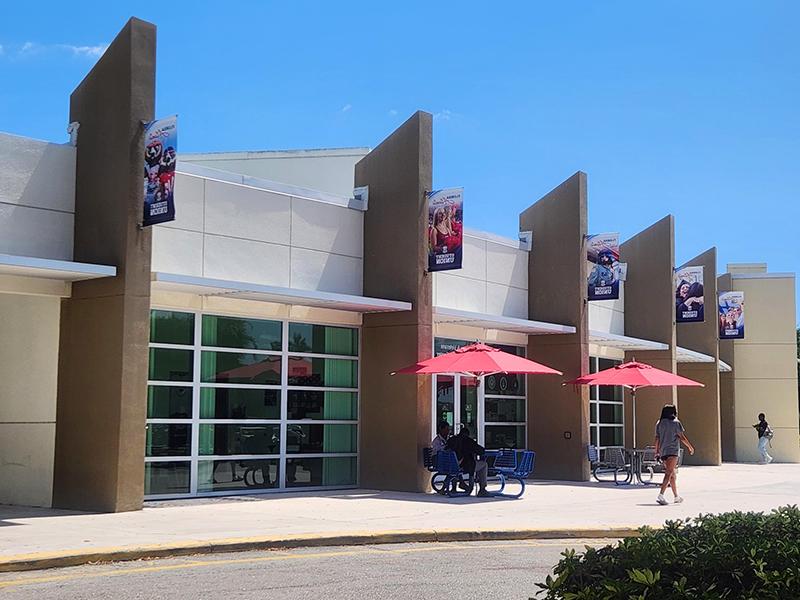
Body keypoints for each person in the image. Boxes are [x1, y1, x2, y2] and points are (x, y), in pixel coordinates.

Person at [654, 404, 695, 505]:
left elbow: (657, 438)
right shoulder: (676, 423)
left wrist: (657, 451)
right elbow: (682, 437)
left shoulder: (659, 423)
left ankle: (676, 496)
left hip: (663, 451)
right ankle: (661, 495)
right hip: (672, 451)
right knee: (669, 473)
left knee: (672, 474)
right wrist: (690, 446)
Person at [447, 426, 491, 497]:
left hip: (450, 465)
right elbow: (481, 451)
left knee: (456, 465)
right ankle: (482, 489)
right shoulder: (468, 441)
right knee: (484, 465)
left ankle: (454, 488)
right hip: (464, 466)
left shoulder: (451, 440)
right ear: (467, 435)